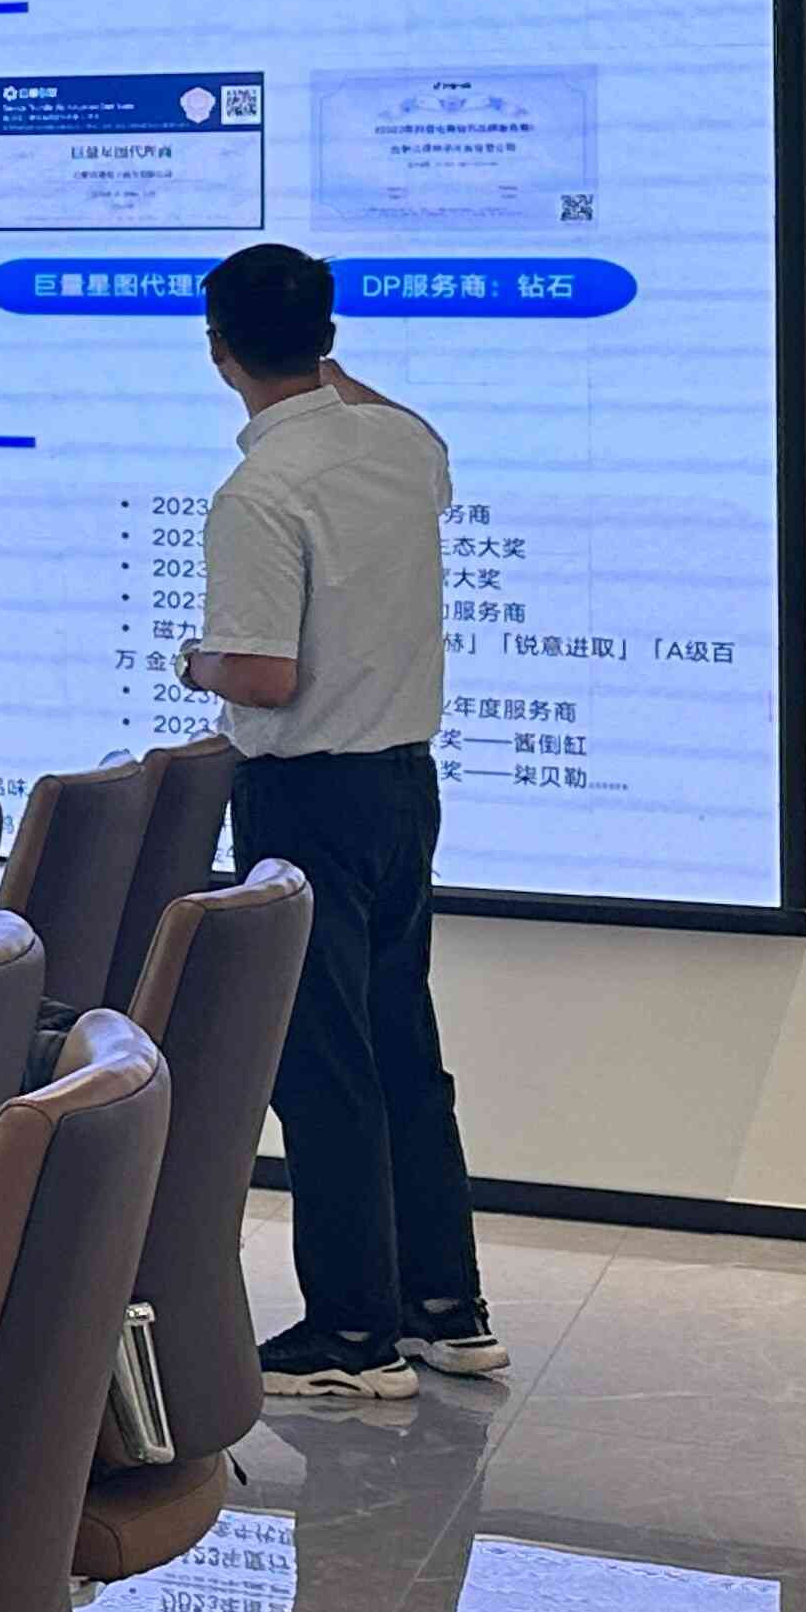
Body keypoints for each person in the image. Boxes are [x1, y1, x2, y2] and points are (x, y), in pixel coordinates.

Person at [182, 241, 496, 1399]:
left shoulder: (259, 493)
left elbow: (264, 676)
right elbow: (384, 411)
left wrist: (192, 662)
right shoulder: (404, 447)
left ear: (218, 352)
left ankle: (353, 1336)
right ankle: (446, 1308)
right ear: (330, 339)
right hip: (404, 788)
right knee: (402, 1045)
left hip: (306, 799)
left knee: (322, 1065)